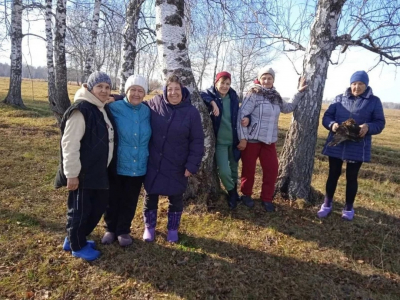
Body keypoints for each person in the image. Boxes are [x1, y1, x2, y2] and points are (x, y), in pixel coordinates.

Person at [55, 71, 116, 261]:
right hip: (83, 173)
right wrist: (72, 174)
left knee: (95, 207)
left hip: (97, 172)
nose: (104, 91)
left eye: (107, 87)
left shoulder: (100, 108)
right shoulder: (81, 110)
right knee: (80, 211)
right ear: (89, 88)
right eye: (100, 87)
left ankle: (74, 238)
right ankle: (77, 245)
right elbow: (69, 144)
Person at [142, 74, 204, 243]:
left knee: (176, 197)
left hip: (178, 164)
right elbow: (134, 102)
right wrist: (115, 98)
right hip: (154, 161)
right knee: (150, 195)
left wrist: (192, 165)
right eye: (170, 89)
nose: (173, 92)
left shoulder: (191, 112)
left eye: (177, 89)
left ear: (182, 91)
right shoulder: (155, 103)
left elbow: (197, 141)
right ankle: (149, 227)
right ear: (165, 90)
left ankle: (172, 229)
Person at [237, 66, 307, 212]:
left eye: (269, 78)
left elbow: (287, 108)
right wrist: (243, 138)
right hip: (252, 139)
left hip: (269, 141)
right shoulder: (253, 94)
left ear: (273, 80)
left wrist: (299, 92)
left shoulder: (275, 96)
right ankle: (246, 195)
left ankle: (267, 198)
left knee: (272, 170)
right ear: (260, 79)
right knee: (248, 170)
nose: (267, 80)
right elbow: (242, 115)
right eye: (264, 78)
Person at [318, 71, 385, 220]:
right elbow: (327, 117)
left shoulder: (374, 101)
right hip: (337, 142)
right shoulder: (339, 99)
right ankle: (327, 204)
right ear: (350, 84)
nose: (357, 87)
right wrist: (332, 125)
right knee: (333, 174)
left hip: (358, 145)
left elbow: (380, 123)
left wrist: (367, 127)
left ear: (366, 85)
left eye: (360, 84)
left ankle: (348, 208)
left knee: (352, 177)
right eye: (354, 84)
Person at [101, 75, 151, 246]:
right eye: (133, 90)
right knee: (112, 198)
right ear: (126, 91)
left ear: (145, 94)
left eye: (140, 91)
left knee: (130, 199)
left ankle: (123, 230)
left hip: (139, 164)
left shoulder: (148, 110)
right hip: (117, 163)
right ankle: (110, 229)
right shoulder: (113, 107)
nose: (136, 94)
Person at [200, 71, 249, 209]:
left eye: (228, 83)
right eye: (222, 83)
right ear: (216, 83)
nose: (225, 86)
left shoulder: (233, 97)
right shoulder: (210, 94)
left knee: (234, 169)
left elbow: (241, 115)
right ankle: (232, 192)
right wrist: (213, 102)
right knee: (224, 171)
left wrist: (248, 120)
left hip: (234, 141)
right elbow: (200, 94)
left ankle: (235, 193)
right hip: (220, 142)